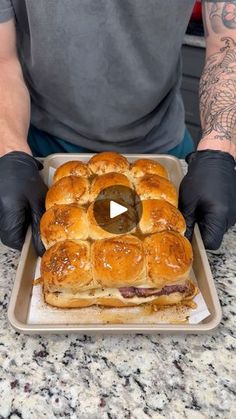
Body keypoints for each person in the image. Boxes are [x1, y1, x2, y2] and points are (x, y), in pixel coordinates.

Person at [0, 0, 235, 255]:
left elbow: (227, 40)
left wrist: (219, 151)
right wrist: (10, 151)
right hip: (42, 157)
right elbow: (3, 59)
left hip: (162, 158)